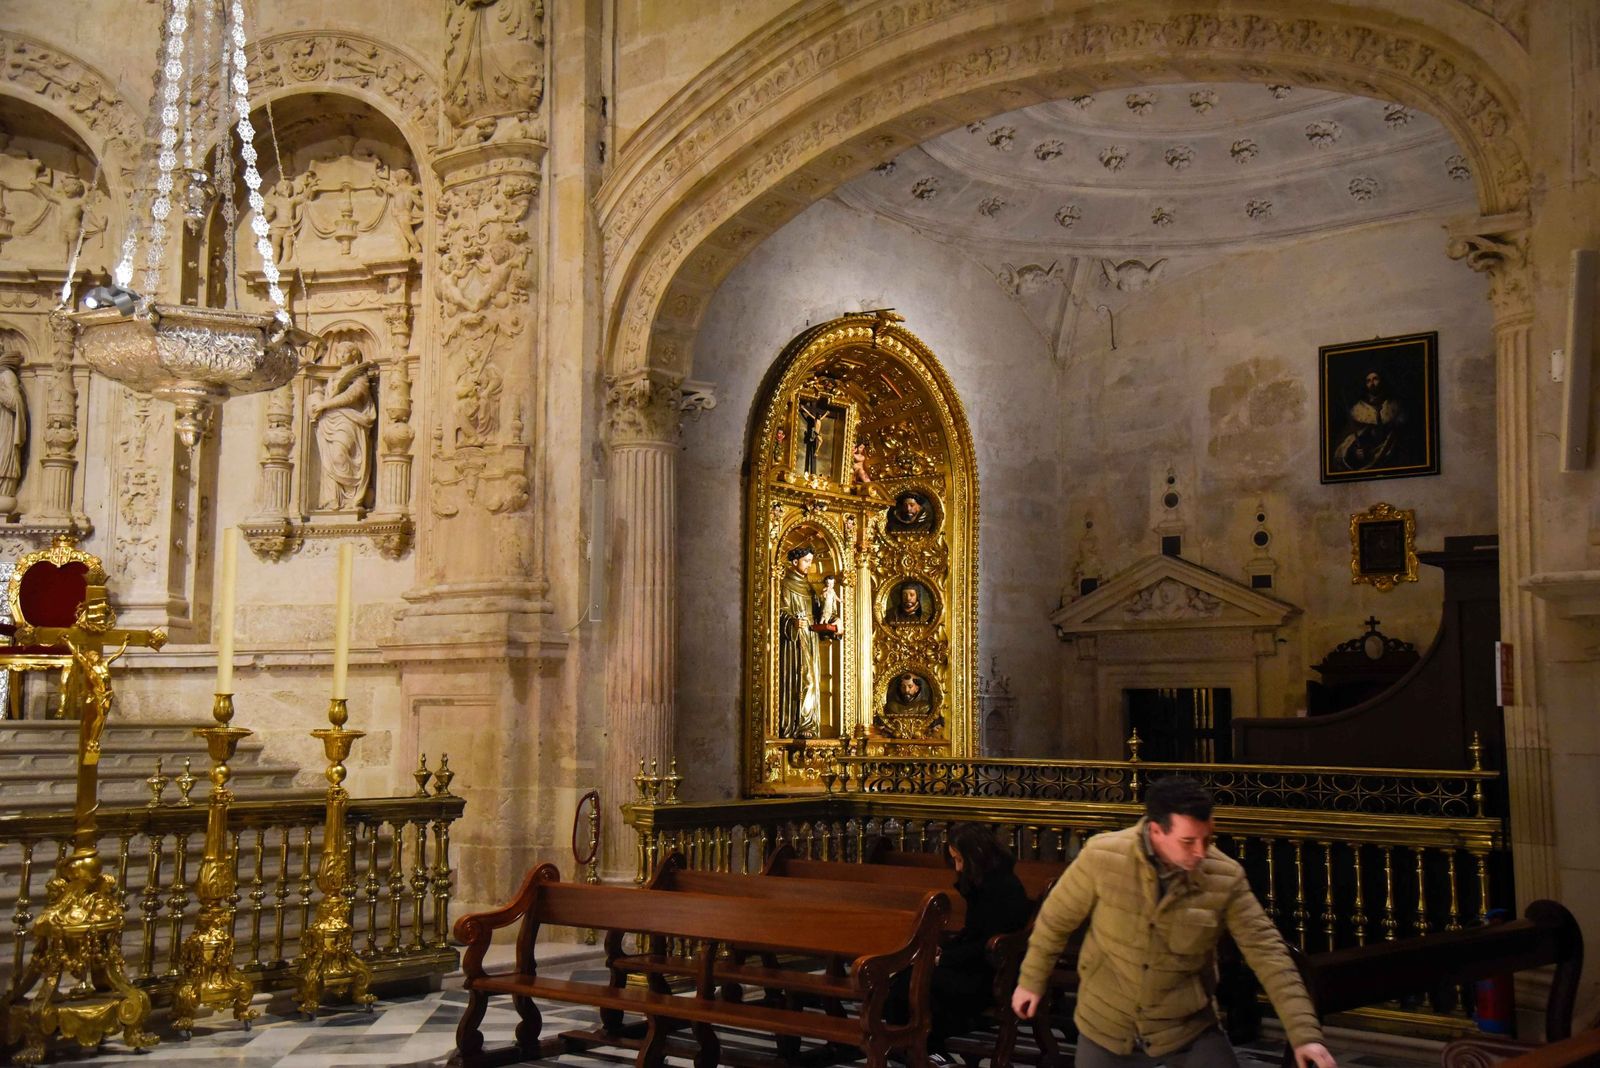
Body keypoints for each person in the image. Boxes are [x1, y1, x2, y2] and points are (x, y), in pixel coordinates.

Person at [1011, 777, 1336, 1068]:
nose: (1200, 852)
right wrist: (1031, 981)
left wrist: (1304, 1034)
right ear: (1156, 831)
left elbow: (1268, 954)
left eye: (1206, 840)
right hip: (1108, 1023)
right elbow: (1055, 920)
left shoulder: (1224, 876)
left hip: (1187, 1024)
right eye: (1187, 842)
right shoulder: (1102, 857)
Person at [887, 824, 1035, 1065]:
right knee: (907, 978)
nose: (957, 867)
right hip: (974, 964)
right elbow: (972, 934)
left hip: (993, 972)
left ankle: (923, 1047)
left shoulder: (1005, 888)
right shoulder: (981, 881)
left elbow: (991, 943)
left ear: (976, 855)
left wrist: (943, 959)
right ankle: (908, 1045)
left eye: (959, 859)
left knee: (918, 983)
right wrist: (943, 951)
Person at [310, 343, 377, 510]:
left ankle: (351, 495)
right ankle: (333, 499)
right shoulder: (333, 377)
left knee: (341, 454)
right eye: (338, 352)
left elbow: (351, 396)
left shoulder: (359, 377)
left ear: (354, 354)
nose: (341, 355)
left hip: (349, 420)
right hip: (329, 421)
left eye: (345, 352)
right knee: (330, 459)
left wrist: (325, 405)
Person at [776, 545, 821, 738]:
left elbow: (820, 613)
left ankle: (809, 723)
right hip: (795, 641)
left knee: (813, 680)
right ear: (795, 562)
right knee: (804, 679)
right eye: (806, 561)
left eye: (811, 561)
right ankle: (799, 724)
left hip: (811, 637)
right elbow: (778, 611)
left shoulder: (809, 587)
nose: (809, 565)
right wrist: (792, 622)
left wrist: (834, 618)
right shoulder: (785, 584)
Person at [1332, 369, 1405, 471]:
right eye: (1368, 381)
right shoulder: (1358, 409)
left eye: (1375, 379)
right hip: (1367, 461)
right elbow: (1348, 440)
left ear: (1382, 381)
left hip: (1392, 459)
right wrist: (1355, 451)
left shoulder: (1395, 406)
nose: (1372, 383)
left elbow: (1401, 436)